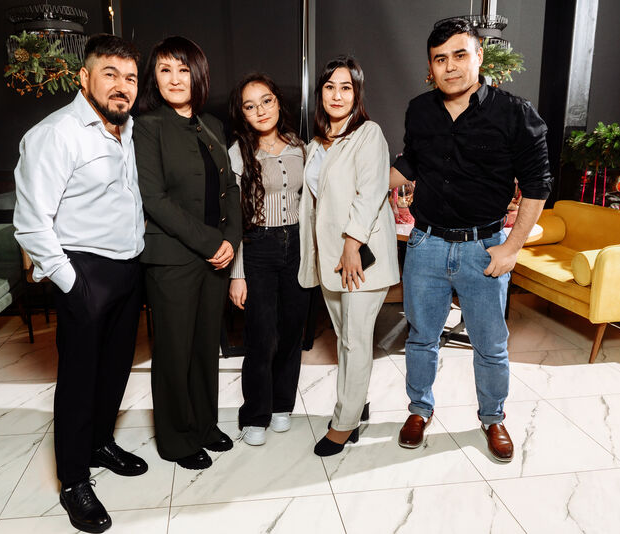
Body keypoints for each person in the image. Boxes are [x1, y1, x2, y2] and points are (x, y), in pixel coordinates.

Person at [390, 18, 553, 462]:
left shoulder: (515, 113)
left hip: (484, 249)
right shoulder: (419, 110)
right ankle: (419, 409)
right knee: (421, 338)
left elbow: (538, 185)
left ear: (479, 56)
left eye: (460, 55)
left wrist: (512, 248)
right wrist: (361, 185)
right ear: (430, 67)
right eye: (440, 59)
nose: (450, 67)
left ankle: (493, 417)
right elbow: (411, 163)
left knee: (491, 344)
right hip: (425, 245)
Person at [13, 34, 147, 533]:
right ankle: (73, 481)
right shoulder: (56, 133)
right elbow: (31, 224)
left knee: (114, 370)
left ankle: (100, 444)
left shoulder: (126, 128)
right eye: (109, 74)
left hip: (128, 267)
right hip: (84, 272)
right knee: (77, 381)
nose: (121, 85)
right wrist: (72, 282)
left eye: (130, 77)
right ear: (83, 77)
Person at [133, 36, 241, 470]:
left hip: (216, 258)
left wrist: (231, 238)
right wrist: (210, 242)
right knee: (175, 352)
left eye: (183, 69)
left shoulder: (212, 124)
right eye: (165, 70)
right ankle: (177, 440)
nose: (175, 79)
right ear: (154, 78)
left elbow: (230, 187)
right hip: (172, 259)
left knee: (204, 347)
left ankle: (204, 425)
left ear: (198, 75)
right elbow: (154, 199)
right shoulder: (147, 126)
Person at [298, 56, 399, 457]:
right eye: (330, 87)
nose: (337, 95)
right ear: (320, 93)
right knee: (345, 339)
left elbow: (371, 192)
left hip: (360, 257)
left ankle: (343, 424)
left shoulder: (368, 134)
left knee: (355, 342)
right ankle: (358, 405)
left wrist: (352, 245)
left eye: (346, 87)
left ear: (357, 94)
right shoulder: (317, 144)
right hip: (331, 260)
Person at [227, 73, 309, 446]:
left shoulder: (299, 147)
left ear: (277, 102)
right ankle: (255, 414)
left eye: (266, 101)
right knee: (261, 336)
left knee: (292, 331)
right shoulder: (238, 153)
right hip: (257, 246)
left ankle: (282, 406)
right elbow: (234, 218)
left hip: (297, 245)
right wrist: (237, 273)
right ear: (242, 114)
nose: (260, 110)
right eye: (250, 106)